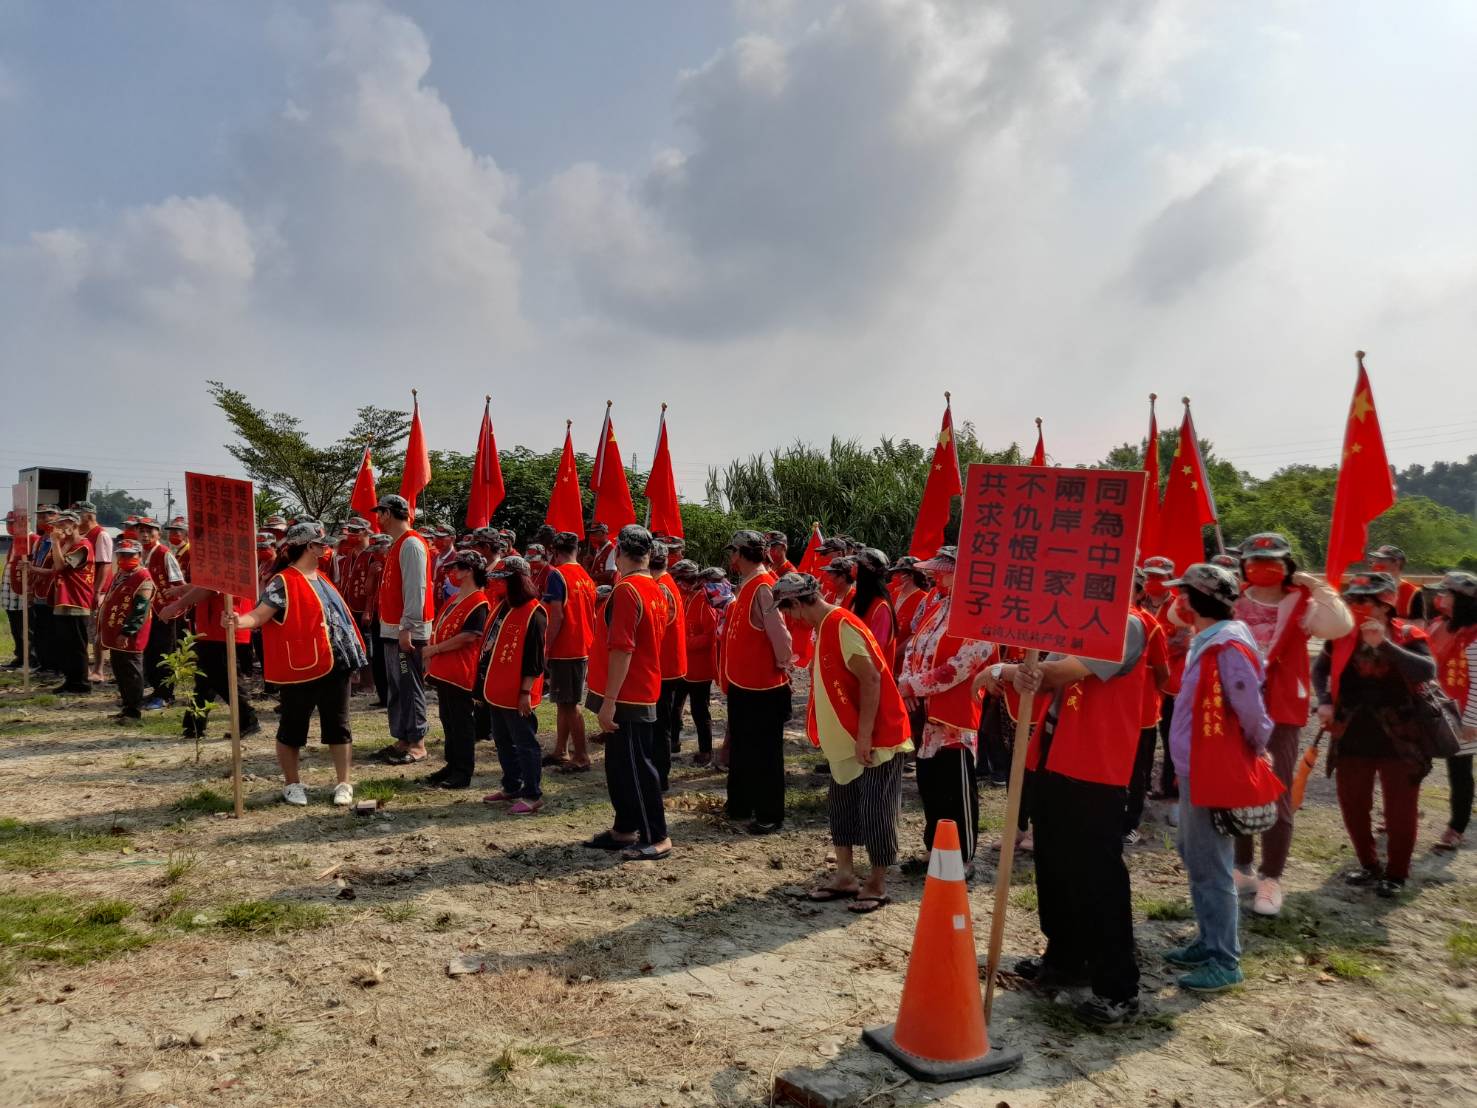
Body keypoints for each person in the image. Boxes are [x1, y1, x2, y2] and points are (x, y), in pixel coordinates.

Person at [983, 598, 1149, 1025]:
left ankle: (1117, 988)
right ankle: (1065, 958)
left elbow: (1052, 674)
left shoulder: (1125, 625)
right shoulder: (1071, 622)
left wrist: (1004, 670)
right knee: (1054, 866)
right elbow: (1037, 678)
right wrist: (1019, 671)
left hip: (1096, 765)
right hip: (1054, 756)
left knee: (1098, 877)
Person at [1156, 564, 1279, 994]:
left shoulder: (1226, 647)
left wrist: (1253, 747)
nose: (1176, 600)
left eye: (1181, 594)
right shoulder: (1209, 641)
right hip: (1196, 767)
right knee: (1195, 852)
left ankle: (1224, 959)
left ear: (1193, 600)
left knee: (1212, 864)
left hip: (1212, 768)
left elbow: (1252, 712)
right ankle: (1208, 941)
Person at [1228, 533, 1353, 915]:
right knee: (1237, 788)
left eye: (1273, 560)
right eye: (1255, 560)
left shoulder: (1303, 603)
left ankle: (1271, 877)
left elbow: (1339, 625)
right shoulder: (1233, 598)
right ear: (1244, 564)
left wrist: (1317, 585)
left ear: (1288, 565)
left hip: (1280, 707)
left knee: (1276, 789)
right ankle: (1241, 867)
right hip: (1235, 702)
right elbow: (1179, 616)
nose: (1263, 566)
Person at [776, 573, 911, 913]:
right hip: (847, 739)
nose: (791, 619)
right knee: (843, 806)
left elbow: (871, 679)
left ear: (797, 602)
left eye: (789, 610)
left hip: (874, 737)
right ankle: (846, 875)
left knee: (876, 809)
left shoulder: (841, 624)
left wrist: (865, 735)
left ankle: (877, 881)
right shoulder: (827, 625)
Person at [1314, 572, 1438, 896]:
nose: (1354, 605)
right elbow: (1320, 669)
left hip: (1400, 735)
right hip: (1352, 732)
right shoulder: (1342, 636)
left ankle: (1397, 874)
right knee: (1353, 805)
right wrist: (1324, 701)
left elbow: (1426, 670)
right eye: (1351, 598)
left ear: (1384, 604)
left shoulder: (1408, 634)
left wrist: (1384, 645)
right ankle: (1368, 865)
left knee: (1400, 809)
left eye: (1362, 600)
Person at [230, 520, 368, 806]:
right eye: (321, 544)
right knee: (293, 726)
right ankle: (292, 783)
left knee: (339, 725)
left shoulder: (322, 578)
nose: (326, 548)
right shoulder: (283, 581)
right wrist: (237, 621)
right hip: (301, 665)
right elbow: (259, 615)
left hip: (335, 663)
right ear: (309, 547)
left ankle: (344, 782)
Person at [898, 547, 993, 871]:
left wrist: (914, 686)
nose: (934, 575)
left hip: (955, 717)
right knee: (931, 785)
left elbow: (962, 665)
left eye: (943, 570)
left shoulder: (978, 613)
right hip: (926, 714)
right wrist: (907, 682)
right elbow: (913, 647)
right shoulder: (936, 605)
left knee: (957, 789)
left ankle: (962, 858)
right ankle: (934, 850)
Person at [584, 525, 673, 860]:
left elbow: (623, 649)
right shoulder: (654, 587)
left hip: (629, 693)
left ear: (619, 553)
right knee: (620, 765)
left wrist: (608, 703)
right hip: (640, 686)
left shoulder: (627, 591)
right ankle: (624, 828)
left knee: (636, 766)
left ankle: (657, 834)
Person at [721, 530, 793, 834]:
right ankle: (741, 804)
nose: (730, 557)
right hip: (744, 684)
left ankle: (769, 813)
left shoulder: (764, 586)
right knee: (743, 747)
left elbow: (781, 639)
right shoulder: (749, 584)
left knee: (764, 753)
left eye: (732, 552)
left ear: (739, 554)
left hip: (764, 688)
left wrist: (781, 668)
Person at [477, 557, 548, 814]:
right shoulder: (503, 606)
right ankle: (511, 785)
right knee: (503, 740)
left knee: (524, 742)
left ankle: (532, 794)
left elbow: (535, 661)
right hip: (497, 689)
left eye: (501, 581)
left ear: (514, 581)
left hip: (517, 692)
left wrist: (525, 692)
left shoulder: (534, 613)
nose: (495, 585)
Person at [370, 494, 435, 766]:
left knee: (409, 686)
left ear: (388, 513)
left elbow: (416, 589)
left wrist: (408, 626)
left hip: (407, 631)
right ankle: (403, 738)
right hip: (392, 628)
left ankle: (418, 742)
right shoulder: (399, 544)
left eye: (380, 513)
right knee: (397, 687)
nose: (378, 519)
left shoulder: (411, 545)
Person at [420, 551, 491, 790]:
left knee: (461, 723)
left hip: (461, 671)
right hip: (444, 669)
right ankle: (451, 764)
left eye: (458, 568)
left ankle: (463, 771)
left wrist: (435, 649)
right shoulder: (456, 598)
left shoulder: (479, 601)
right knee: (448, 719)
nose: (453, 572)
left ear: (470, 570)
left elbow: (470, 636)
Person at [157, 585, 261, 739]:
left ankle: (248, 719)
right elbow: (205, 583)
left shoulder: (226, 561)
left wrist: (176, 606)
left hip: (222, 628)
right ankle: (194, 723)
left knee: (225, 680)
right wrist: (183, 589)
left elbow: (209, 587)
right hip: (214, 628)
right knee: (205, 679)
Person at [1427, 570, 1477, 850]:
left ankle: (1456, 827)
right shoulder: (1436, 626)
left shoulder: (1475, 636)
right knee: (1413, 761)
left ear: (1462, 599)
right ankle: (1398, 813)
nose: (1439, 598)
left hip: (1463, 713)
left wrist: (1471, 720)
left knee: (1459, 770)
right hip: (1432, 706)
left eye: (1445, 593)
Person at [1124, 568, 1173, 843]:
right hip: (1110, 714)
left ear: (1139, 591)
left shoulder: (1149, 625)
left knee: (1137, 770)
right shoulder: (1101, 619)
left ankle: (1131, 823)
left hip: (1141, 714)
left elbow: (1164, 675)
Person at [541, 531, 596, 772]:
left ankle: (581, 755)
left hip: (566, 647)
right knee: (564, 702)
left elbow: (556, 615)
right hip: (582, 644)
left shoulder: (557, 576)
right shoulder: (585, 576)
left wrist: (546, 646)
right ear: (577, 550)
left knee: (571, 703)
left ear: (554, 551)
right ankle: (560, 750)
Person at [32, 511, 95, 695]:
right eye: (58, 525)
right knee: (65, 644)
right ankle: (70, 680)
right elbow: (53, 570)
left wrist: (54, 543)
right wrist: (33, 568)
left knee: (77, 645)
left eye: (63, 524)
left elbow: (60, 566)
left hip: (77, 599)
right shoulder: (63, 544)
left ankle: (81, 683)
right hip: (61, 598)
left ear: (74, 525)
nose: (59, 529)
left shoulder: (83, 546)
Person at [1141, 556, 1187, 799]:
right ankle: (1142, 782)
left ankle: (1170, 785)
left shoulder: (1180, 608)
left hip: (1170, 681)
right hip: (1142, 680)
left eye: (1160, 577)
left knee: (1170, 733)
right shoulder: (1139, 602)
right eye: (1149, 576)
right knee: (1144, 734)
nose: (1153, 581)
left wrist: (1150, 649)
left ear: (1171, 580)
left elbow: (1182, 642)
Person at [97, 539, 154, 722]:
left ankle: (134, 711)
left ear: (139, 556)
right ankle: (126, 706)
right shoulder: (121, 574)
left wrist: (127, 632)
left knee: (131, 671)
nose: (124, 558)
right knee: (119, 670)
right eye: (121, 554)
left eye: (130, 555)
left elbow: (140, 610)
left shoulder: (143, 578)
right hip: (116, 629)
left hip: (130, 633)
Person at [668, 560, 717, 765]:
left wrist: (684, 643)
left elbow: (710, 635)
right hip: (682, 667)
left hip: (699, 669)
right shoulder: (680, 597)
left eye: (679, 579)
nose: (677, 584)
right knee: (674, 706)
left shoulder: (704, 600)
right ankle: (674, 741)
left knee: (699, 710)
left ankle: (706, 750)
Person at [137, 517, 185, 709]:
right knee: (150, 653)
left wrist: (173, 604)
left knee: (164, 654)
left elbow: (179, 583)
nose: (145, 534)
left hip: (165, 611)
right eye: (141, 531)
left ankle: (166, 695)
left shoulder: (164, 553)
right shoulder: (140, 553)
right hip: (148, 611)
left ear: (158, 533)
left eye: (150, 531)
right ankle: (156, 690)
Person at [651, 541, 688, 788]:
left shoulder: (661, 587)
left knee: (659, 725)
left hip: (664, 667)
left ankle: (659, 776)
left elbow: (657, 629)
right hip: (668, 664)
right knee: (661, 722)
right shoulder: (665, 583)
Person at [73, 501, 113, 683]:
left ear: (88, 516)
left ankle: (99, 670)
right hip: (84, 588)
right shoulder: (82, 534)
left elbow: (105, 564)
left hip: (98, 588)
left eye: (77, 515)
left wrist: (97, 590)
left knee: (97, 630)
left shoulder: (100, 534)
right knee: (87, 628)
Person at [4, 511, 38, 668]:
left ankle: (30, 657)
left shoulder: (33, 539)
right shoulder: (15, 540)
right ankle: (20, 655)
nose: (10, 526)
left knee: (26, 623)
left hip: (23, 586)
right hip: (10, 584)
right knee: (14, 621)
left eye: (13, 523)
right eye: (8, 523)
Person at [28, 505, 58, 676]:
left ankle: (55, 666)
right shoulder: (40, 540)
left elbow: (56, 570)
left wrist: (33, 570)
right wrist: (30, 587)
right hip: (39, 589)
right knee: (40, 630)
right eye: (40, 516)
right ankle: (43, 664)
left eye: (49, 515)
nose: (44, 519)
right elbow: (35, 564)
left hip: (52, 591)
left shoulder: (60, 540)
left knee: (52, 631)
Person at [1367, 545, 1424, 622]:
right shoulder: (1366, 588)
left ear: (1397, 563)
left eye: (1380, 560)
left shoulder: (1413, 593)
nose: (1375, 564)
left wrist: (1388, 622)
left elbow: (1420, 626)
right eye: (1374, 561)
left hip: (1398, 633)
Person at [585, 522, 618, 587]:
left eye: (595, 533)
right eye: (591, 533)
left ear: (603, 533)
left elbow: (609, 574)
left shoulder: (611, 549)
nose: (592, 536)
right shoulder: (598, 549)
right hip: (597, 589)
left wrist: (590, 576)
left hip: (606, 592)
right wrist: (588, 565)